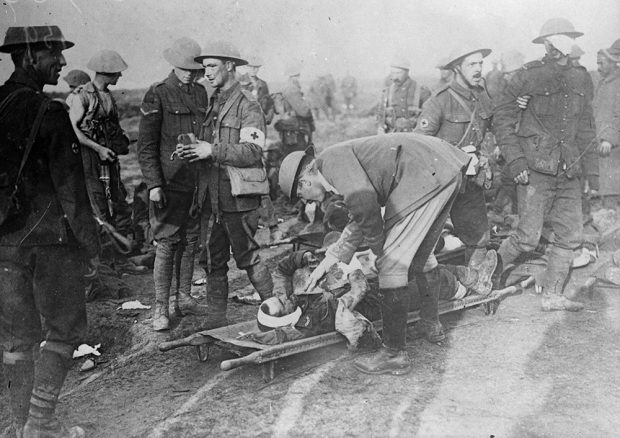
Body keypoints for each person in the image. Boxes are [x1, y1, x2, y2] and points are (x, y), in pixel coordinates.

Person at [278, 133, 471, 375]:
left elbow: (366, 210)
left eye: (302, 197)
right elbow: (360, 217)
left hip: (423, 175)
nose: (307, 203)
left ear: (304, 183)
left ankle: (393, 354)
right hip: (441, 169)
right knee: (422, 253)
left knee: (391, 265)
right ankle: (431, 323)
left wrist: (382, 253)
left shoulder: (333, 164)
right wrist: (329, 261)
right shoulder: (333, 164)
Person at [0, 25, 99, 438]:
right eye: (52, 54)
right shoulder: (51, 112)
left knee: (15, 337)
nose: (61, 62)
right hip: (51, 242)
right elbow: (72, 191)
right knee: (64, 327)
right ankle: (39, 426)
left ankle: (16, 423)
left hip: (4, 241)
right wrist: (91, 246)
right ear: (28, 57)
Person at [493, 18, 599, 311]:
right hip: (534, 168)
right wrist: (515, 160)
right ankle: (486, 281)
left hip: (569, 169)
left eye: (564, 39)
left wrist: (591, 174)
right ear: (547, 44)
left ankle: (552, 295)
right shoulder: (529, 75)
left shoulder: (581, 77)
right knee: (527, 238)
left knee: (570, 236)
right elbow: (502, 117)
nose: (558, 46)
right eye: (553, 40)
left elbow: (587, 127)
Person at [175, 40, 273, 329]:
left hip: (238, 197)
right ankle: (216, 320)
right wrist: (192, 151)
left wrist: (212, 150)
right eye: (205, 67)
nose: (206, 73)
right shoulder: (213, 103)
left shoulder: (248, 105)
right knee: (212, 260)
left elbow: (253, 151)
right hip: (211, 197)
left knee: (247, 257)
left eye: (212, 66)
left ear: (230, 66)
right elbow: (208, 146)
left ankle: (277, 312)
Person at [137, 37, 208, 331]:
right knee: (167, 243)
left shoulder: (202, 94)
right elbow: (146, 145)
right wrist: (154, 184)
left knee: (191, 240)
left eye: (194, 68)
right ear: (173, 66)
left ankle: (183, 297)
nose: (190, 73)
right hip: (169, 182)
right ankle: (161, 308)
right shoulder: (158, 93)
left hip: (196, 181)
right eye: (184, 68)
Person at [415, 45, 494, 265]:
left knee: (479, 240)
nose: (478, 69)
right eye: (472, 64)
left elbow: (497, 127)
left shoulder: (483, 99)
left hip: (470, 183)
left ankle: (475, 286)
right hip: (441, 184)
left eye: (480, 63)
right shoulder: (438, 102)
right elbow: (418, 146)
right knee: (426, 242)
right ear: (457, 68)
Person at [67, 50, 136, 262]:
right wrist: (98, 149)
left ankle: (119, 258)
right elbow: (72, 131)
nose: (120, 77)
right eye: (117, 73)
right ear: (107, 72)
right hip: (89, 160)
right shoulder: (81, 96)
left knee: (120, 203)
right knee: (99, 209)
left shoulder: (107, 96)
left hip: (108, 160)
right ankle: (104, 264)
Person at [593, 39, 620, 211]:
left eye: (601, 63)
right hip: (603, 147)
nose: (598, 67)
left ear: (612, 62)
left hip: (612, 147)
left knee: (612, 191)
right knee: (606, 188)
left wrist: (609, 139)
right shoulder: (604, 83)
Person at [377, 56, 431, 133]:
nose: (395, 77)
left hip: (415, 135)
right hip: (393, 135)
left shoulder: (422, 91)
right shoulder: (387, 92)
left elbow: (429, 115)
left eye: (398, 73)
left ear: (407, 72)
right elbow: (381, 115)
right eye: (392, 73)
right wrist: (380, 128)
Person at [274, 65, 315, 153]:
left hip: (291, 128)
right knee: (298, 156)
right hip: (295, 130)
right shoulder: (292, 89)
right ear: (296, 76)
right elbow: (303, 111)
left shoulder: (288, 87)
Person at [246, 56, 275, 126]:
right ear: (246, 67)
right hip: (245, 122)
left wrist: (269, 117)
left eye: (256, 67)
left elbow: (270, 104)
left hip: (259, 122)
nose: (253, 69)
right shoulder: (240, 82)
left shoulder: (263, 84)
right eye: (251, 67)